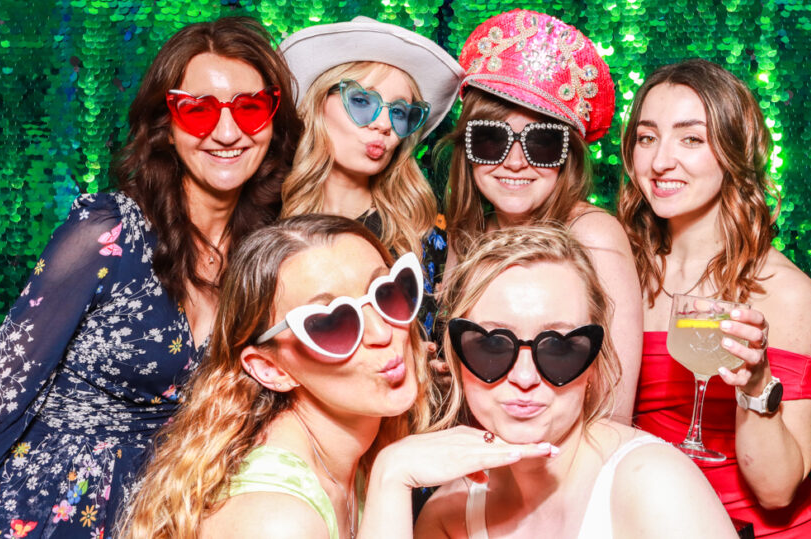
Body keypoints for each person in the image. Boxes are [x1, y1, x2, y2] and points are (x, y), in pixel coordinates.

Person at [0, 16, 301, 538]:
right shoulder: (109, 230)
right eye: (199, 110)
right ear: (167, 122)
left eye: (250, 108)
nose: (227, 132)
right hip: (51, 508)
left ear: (274, 121)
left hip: (170, 515)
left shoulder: (265, 260)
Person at [119, 214, 551, 539]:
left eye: (389, 294)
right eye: (332, 323)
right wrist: (393, 474)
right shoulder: (275, 519)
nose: (385, 334)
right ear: (270, 368)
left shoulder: (348, 454)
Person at [376, 225, 735, 538]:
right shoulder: (448, 514)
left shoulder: (654, 484)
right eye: (492, 346)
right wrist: (389, 474)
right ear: (457, 358)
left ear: (594, 362)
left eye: (559, 348)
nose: (525, 377)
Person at [619, 59, 811, 536]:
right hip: (646, 519)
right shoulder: (619, 267)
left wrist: (756, 388)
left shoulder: (785, 293)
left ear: (734, 151)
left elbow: (777, 492)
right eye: (647, 137)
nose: (659, 161)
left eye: (691, 139)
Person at [442, 9, 641, 419]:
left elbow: (613, 410)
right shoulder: (467, 235)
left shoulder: (593, 236)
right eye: (492, 139)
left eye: (543, 143)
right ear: (467, 148)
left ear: (567, 157)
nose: (515, 162)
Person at [277, 17, 463, 333]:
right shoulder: (266, 223)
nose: (384, 124)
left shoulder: (425, 233)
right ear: (317, 104)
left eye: (400, 111)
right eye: (363, 101)